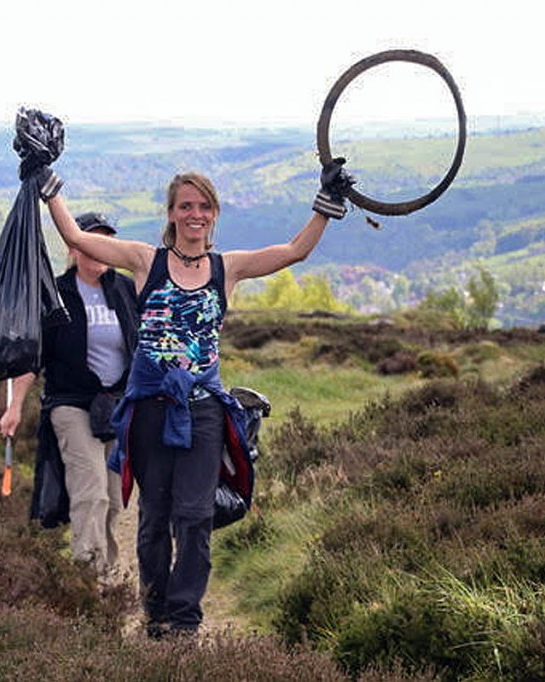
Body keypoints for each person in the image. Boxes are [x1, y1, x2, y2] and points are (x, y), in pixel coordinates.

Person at [36, 160, 353, 637]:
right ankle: (155, 612)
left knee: (195, 515)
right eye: (186, 206)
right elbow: (79, 239)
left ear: (214, 214)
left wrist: (326, 204)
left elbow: (293, 252)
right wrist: (48, 184)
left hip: (203, 409)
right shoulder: (147, 261)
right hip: (149, 409)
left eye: (204, 206)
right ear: (171, 213)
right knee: (154, 517)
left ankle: (184, 620)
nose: (195, 214)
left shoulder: (228, 268)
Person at [0, 211, 139, 573]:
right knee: (89, 490)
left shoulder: (125, 289)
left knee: (113, 499)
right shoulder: (55, 294)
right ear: (74, 245)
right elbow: (33, 357)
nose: (99, 249)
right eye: (92, 240)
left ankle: (105, 575)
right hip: (71, 404)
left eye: (107, 241)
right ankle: (86, 577)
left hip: (117, 407)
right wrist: (14, 407)